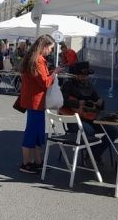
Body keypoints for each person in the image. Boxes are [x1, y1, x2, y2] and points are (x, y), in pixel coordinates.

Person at [18, 34, 62, 173]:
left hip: (34, 101)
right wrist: (54, 74)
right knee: (31, 133)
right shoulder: (37, 61)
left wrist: (51, 73)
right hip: (35, 102)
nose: (50, 51)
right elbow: (45, 83)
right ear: (43, 47)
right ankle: (25, 164)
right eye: (50, 48)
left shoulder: (34, 59)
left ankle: (38, 162)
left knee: (37, 133)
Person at [59, 62, 109, 163]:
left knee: (114, 131)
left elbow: (98, 100)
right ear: (75, 75)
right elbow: (61, 101)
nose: (84, 78)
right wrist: (78, 103)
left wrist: (100, 102)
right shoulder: (68, 85)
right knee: (89, 131)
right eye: (82, 75)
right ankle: (91, 155)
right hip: (74, 121)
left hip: (90, 118)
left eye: (86, 76)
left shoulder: (89, 85)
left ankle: (94, 153)